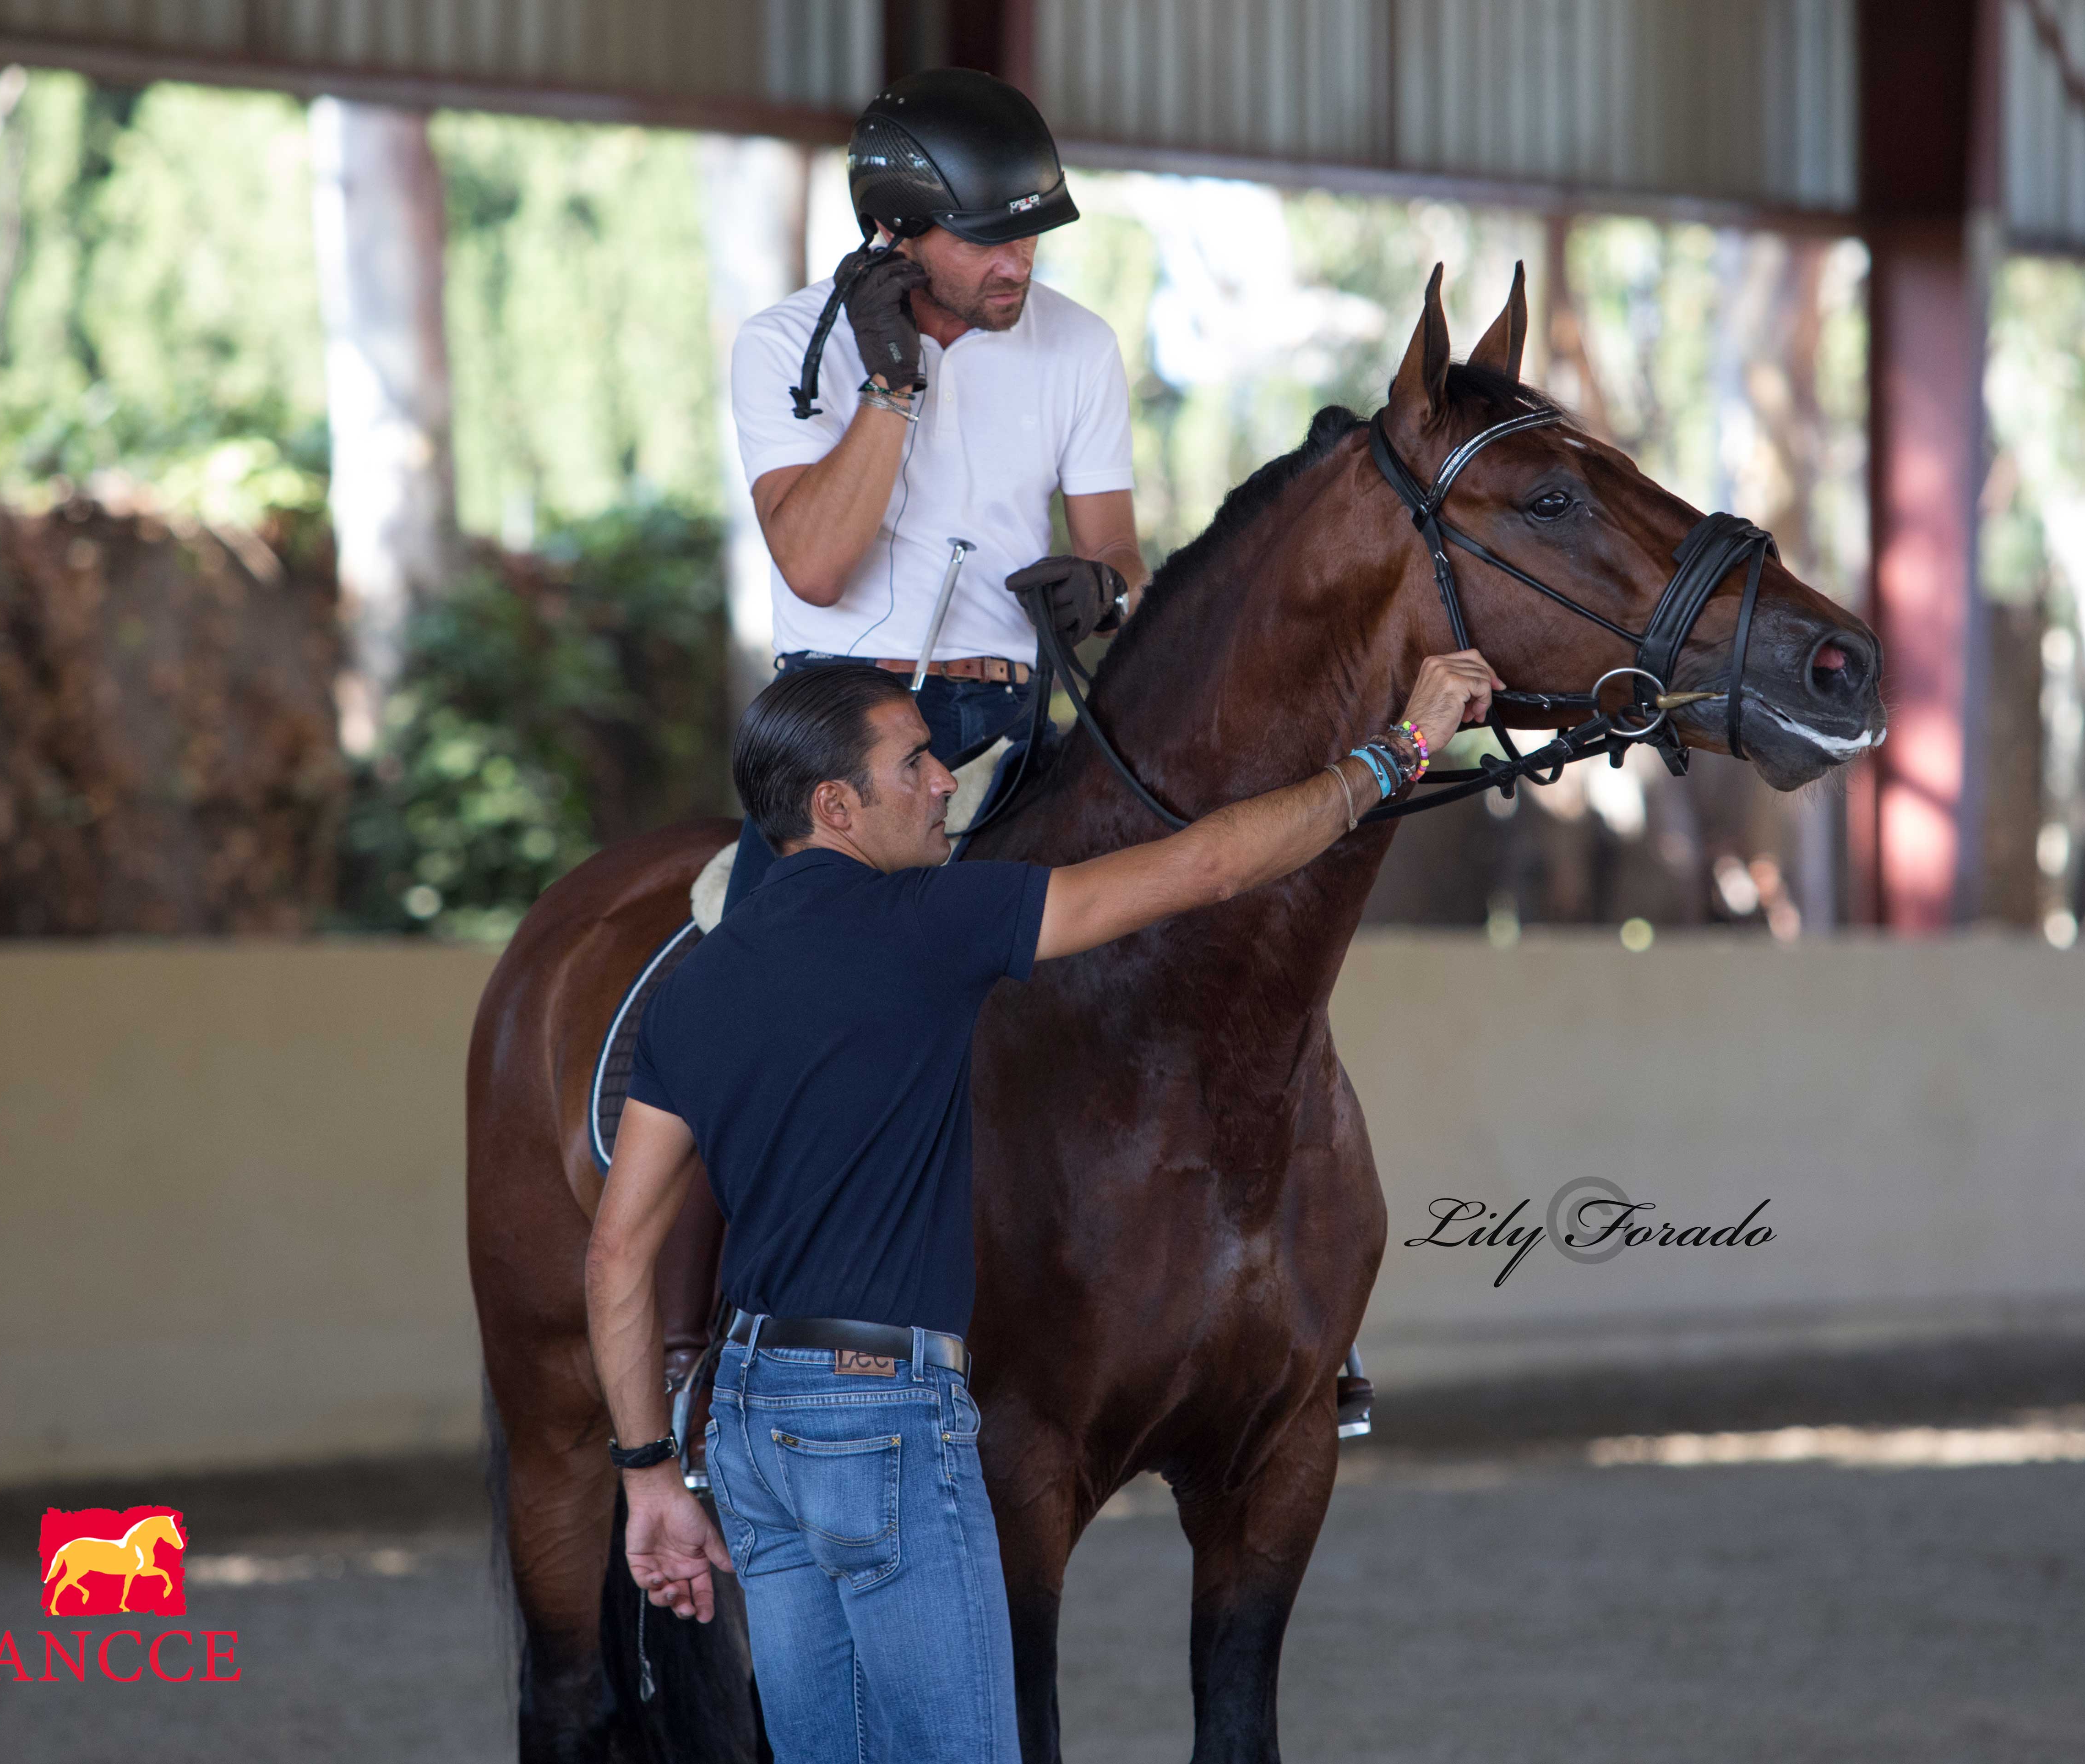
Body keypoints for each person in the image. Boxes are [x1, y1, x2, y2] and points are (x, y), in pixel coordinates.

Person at [584, 648, 1498, 1763]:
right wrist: (1398, 752)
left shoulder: (695, 994)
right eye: (913, 763)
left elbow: (620, 1257)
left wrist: (644, 1479)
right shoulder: (923, 923)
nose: (942, 784)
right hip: (881, 1415)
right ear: (834, 806)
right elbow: (1206, 867)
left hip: (749, 1431)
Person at [722, 65, 1142, 914]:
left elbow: (1119, 554)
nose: (1017, 263)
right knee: (776, 984)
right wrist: (889, 386)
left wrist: (1107, 592)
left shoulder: (1083, 346)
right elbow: (814, 569)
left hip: (1009, 721)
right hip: (833, 732)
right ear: (892, 230)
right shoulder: (779, 345)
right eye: (986, 239)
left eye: (1031, 237)